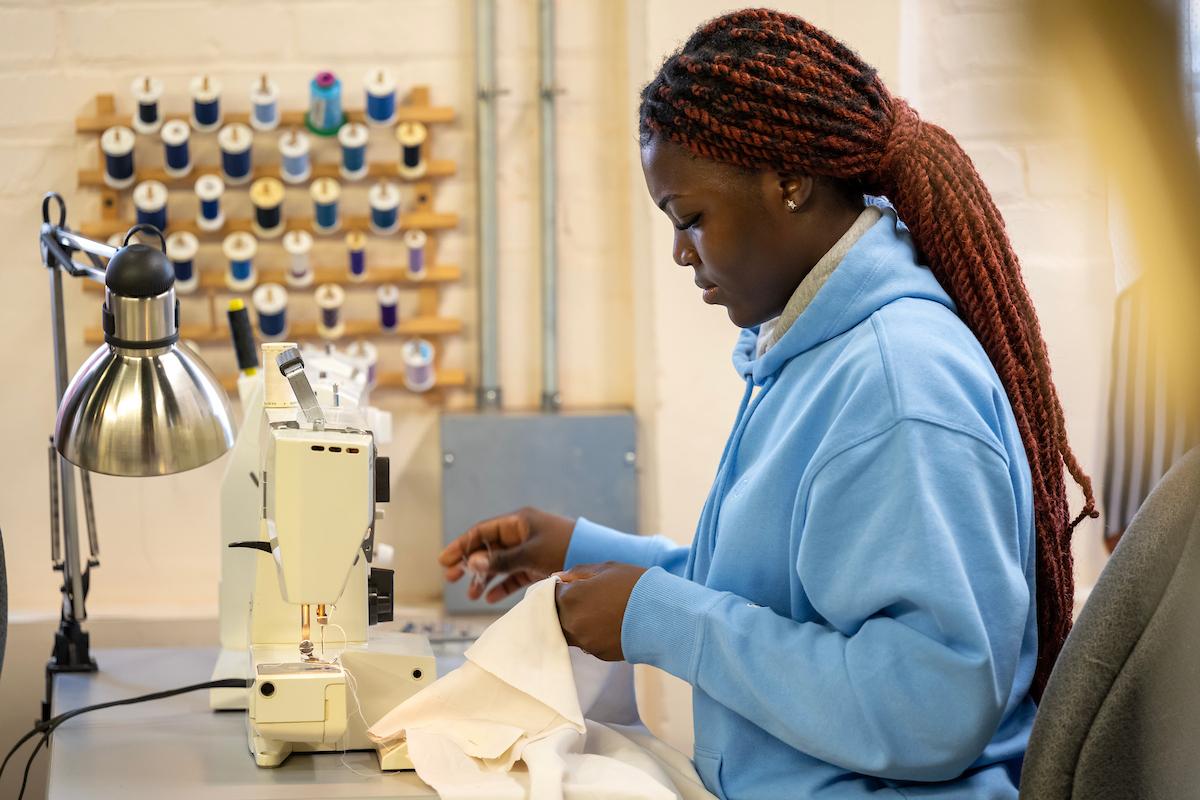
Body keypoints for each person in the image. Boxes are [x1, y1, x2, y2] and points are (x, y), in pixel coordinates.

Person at [440, 9, 1097, 799]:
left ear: (789, 182)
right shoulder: (810, 355)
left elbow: (931, 707)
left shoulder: (898, 385)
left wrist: (657, 617)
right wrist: (577, 550)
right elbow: (770, 603)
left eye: (691, 219)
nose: (682, 252)